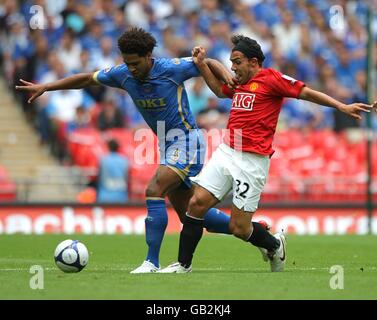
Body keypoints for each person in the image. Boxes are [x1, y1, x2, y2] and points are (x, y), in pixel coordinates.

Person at [15, 27, 236, 273]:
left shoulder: (171, 68)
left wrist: (226, 76)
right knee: (190, 215)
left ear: (148, 56)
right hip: (168, 143)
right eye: (127, 63)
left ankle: (151, 262)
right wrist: (47, 86)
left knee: (154, 189)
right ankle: (257, 233)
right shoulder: (123, 74)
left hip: (187, 139)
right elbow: (88, 78)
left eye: (135, 63)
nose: (131, 68)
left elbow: (209, 62)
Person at [159, 35, 377, 273]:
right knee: (197, 203)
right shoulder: (240, 83)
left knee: (239, 228)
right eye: (231, 62)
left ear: (254, 62)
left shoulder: (272, 79)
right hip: (227, 151)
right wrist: (201, 64)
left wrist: (341, 106)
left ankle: (274, 245)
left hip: (252, 161)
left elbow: (306, 93)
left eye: (237, 61)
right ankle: (183, 264)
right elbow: (220, 92)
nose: (233, 67)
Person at [97, 139, 129, 204]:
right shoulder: (124, 160)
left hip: (105, 195)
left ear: (108, 147)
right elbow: (127, 177)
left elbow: (99, 176)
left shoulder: (103, 160)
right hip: (121, 195)